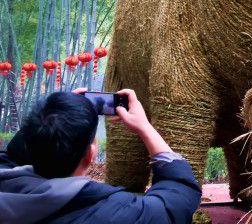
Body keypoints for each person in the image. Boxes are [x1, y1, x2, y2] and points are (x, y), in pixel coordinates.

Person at [0, 88, 201, 223]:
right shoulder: (114, 213)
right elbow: (177, 200)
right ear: (90, 154)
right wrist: (145, 128)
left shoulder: (5, 183)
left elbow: (9, 157)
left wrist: (57, 115)